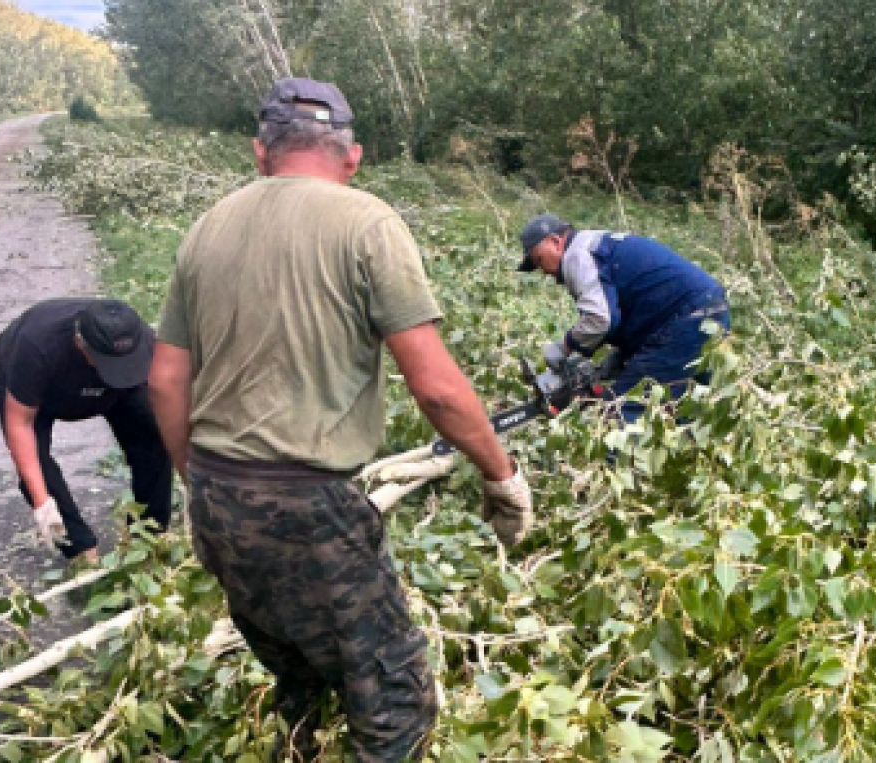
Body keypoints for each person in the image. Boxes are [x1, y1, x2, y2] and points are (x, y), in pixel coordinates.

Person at [147, 77, 532, 763]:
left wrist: (203, 486)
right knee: (394, 698)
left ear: (261, 152)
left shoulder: (206, 227)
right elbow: (437, 388)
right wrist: (501, 473)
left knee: (298, 670)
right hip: (308, 505)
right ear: (352, 157)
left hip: (215, 491)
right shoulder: (366, 222)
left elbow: (166, 378)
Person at [0, 298, 172, 564]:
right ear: (79, 343)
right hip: (42, 388)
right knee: (36, 466)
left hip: (114, 393)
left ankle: (150, 535)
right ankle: (80, 551)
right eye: (109, 364)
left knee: (154, 438)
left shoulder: (141, 339)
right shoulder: (36, 346)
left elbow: (169, 400)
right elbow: (20, 424)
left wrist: (191, 472)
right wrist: (42, 503)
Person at [518, 214, 730, 422]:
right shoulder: (600, 244)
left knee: (619, 412)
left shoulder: (577, 255)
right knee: (690, 410)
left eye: (539, 260)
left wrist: (564, 346)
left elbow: (600, 320)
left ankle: (612, 455)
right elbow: (639, 300)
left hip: (686, 321)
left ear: (555, 241)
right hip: (710, 312)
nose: (544, 271)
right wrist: (623, 355)